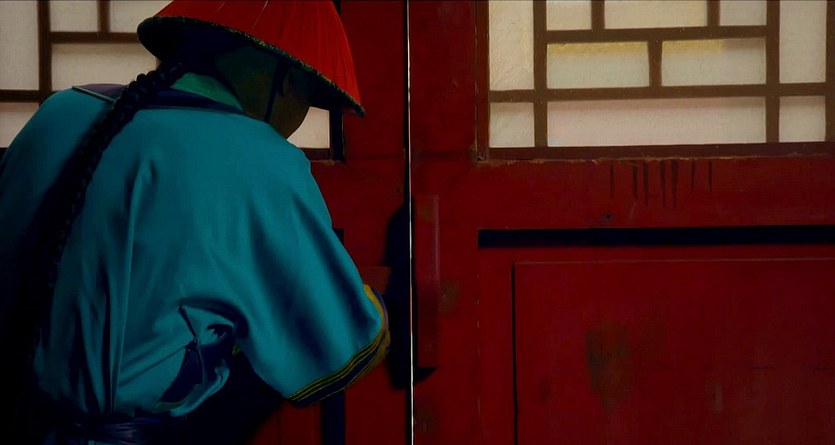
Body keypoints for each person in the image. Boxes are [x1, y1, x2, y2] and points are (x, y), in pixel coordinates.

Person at [0, 1, 390, 444]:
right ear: (287, 79)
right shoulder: (259, 159)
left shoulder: (59, 111)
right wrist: (385, 300)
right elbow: (342, 342)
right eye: (308, 97)